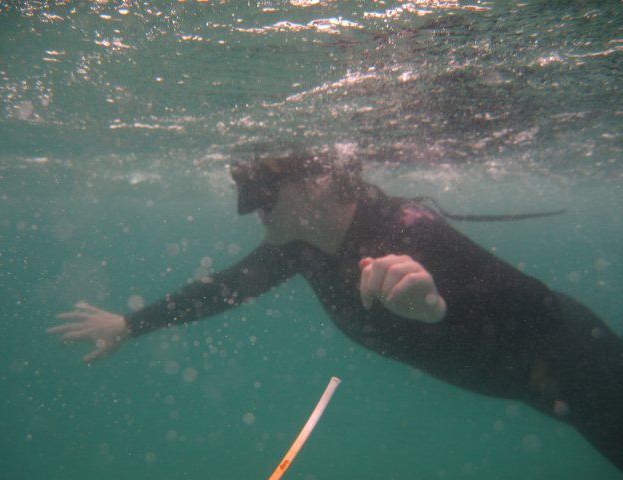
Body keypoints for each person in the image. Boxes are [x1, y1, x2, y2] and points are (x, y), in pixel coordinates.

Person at [48, 150, 623, 471]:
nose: (249, 207)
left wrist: (435, 308)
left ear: (319, 181)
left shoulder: (407, 228)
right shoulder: (302, 247)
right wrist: (131, 323)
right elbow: (225, 288)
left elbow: (536, 308)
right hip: (534, 388)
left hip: (578, 364)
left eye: (264, 189)